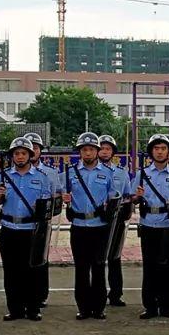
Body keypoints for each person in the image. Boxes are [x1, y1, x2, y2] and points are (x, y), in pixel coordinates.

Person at [130, 134, 169, 319]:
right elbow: (132, 199)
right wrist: (137, 196)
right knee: (150, 267)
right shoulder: (142, 174)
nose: (159, 152)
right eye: (156, 148)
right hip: (149, 223)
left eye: (163, 148)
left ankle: (167, 306)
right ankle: (150, 306)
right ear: (151, 152)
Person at [0, 137, 54, 321]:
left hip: (31, 229)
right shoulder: (4, 176)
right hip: (9, 228)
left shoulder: (42, 178)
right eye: (16, 153)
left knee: (32, 271)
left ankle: (33, 308)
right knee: (11, 272)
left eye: (23, 153)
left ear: (30, 155)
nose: (20, 157)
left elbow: (48, 205)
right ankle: (15, 309)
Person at [64, 132, 118, 320]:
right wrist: (65, 200)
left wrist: (110, 208)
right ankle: (83, 307)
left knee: (98, 266)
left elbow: (114, 197)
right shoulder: (70, 173)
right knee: (81, 268)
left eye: (91, 149)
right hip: (79, 225)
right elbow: (64, 194)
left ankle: (99, 307)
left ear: (97, 151)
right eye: (84, 150)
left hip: (99, 226)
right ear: (80, 152)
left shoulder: (107, 173)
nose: (88, 153)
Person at [24, 132, 61, 307]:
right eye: (29, 147)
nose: (32, 150)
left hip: (42, 222)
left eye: (35, 147)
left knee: (40, 260)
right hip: (21, 222)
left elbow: (58, 195)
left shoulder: (50, 173)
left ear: (40, 151)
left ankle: (40, 295)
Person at [98, 134, 132, 307]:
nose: (104, 152)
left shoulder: (121, 173)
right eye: (101, 148)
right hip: (97, 220)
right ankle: (98, 295)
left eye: (108, 149)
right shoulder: (92, 172)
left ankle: (116, 294)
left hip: (115, 219)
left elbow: (128, 195)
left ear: (113, 152)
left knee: (114, 258)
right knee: (96, 260)